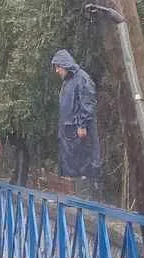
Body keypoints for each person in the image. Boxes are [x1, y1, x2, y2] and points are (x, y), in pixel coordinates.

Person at [51, 49, 102, 198]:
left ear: (65, 65)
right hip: (70, 134)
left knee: (85, 164)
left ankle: (88, 200)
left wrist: (81, 124)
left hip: (79, 134)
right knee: (74, 166)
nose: (57, 71)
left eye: (58, 67)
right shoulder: (69, 82)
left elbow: (88, 104)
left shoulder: (82, 79)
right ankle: (79, 198)